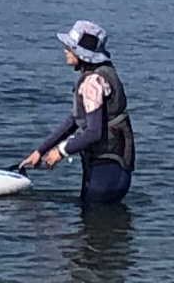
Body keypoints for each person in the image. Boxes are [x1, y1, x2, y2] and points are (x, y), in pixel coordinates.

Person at [19, 20, 135, 206]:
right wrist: (41, 150)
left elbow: (93, 132)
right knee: (102, 230)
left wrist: (60, 152)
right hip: (116, 170)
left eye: (70, 47)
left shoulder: (92, 83)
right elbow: (75, 120)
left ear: (83, 54)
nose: (65, 50)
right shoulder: (104, 73)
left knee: (94, 226)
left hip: (105, 173)